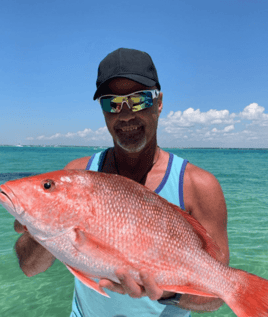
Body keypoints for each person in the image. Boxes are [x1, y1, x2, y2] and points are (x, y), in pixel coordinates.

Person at [14, 48, 230, 317]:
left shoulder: (198, 187)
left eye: (139, 100)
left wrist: (167, 291)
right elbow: (29, 267)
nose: (126, 114)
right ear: (102, 111)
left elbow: (218, 295)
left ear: (159, 103)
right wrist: (43, 224)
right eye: (112, 103)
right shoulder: (77, 174)